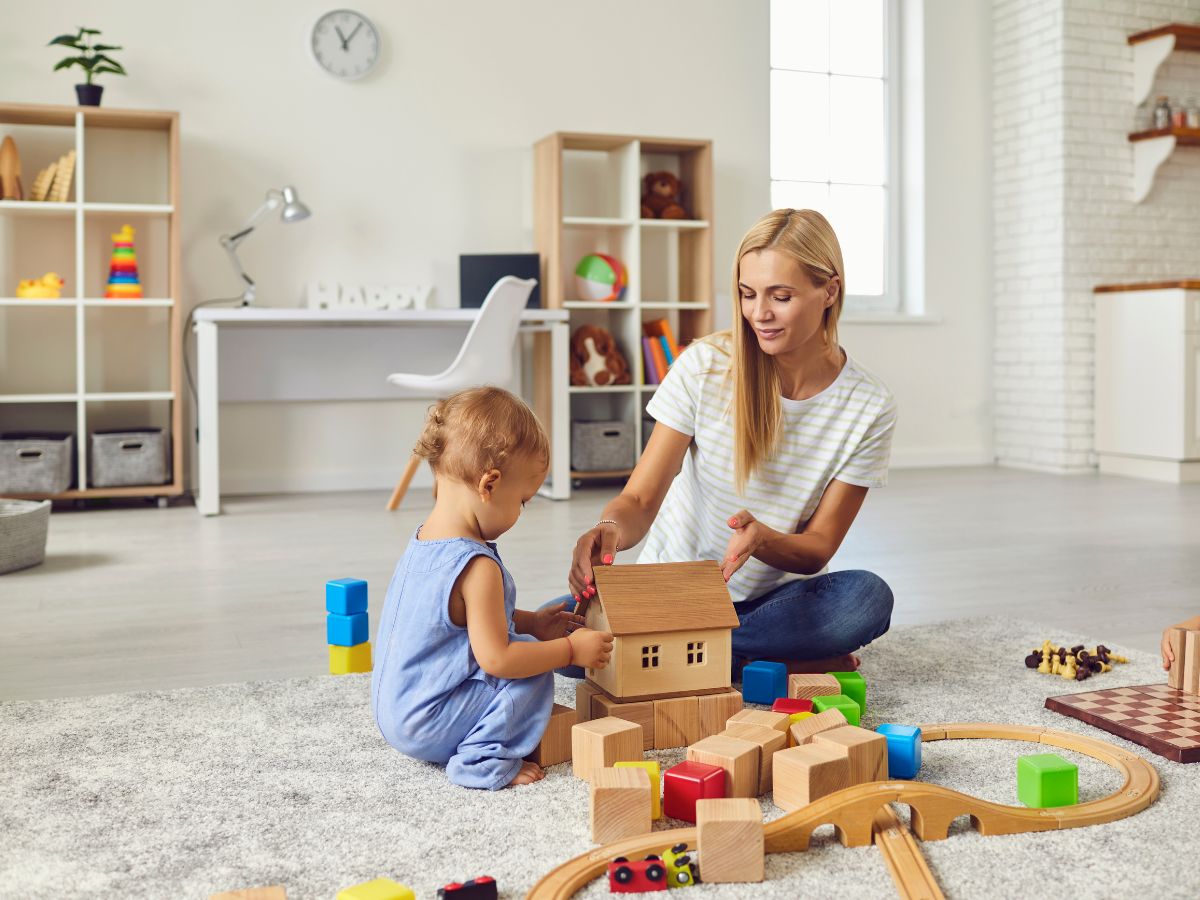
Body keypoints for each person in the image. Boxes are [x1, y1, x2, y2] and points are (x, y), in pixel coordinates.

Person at [557, 208, 896, 677]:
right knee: (555, 633)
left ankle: (697, 653)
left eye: (781, 296)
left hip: (765, 605)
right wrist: (610, 529)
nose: (759, 313)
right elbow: (640, 497)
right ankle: (758, 660)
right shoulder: (705, 365)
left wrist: (764, 540)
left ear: (829, 291)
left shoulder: (869, 405)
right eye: (747, 294)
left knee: (866, 600)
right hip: (671, 591)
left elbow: (817, 548)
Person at [372, 387, 613, 789]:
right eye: (522, 500)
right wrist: (570, 650)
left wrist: (532, 622)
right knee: (532, 672)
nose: (520, 511)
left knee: (525, 643)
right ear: (489, 485)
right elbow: (498, 660)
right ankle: (482, 761)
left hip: (395, 711)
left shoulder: (424, 541)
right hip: (428, 723)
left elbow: (455, 617)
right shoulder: (478, 565)